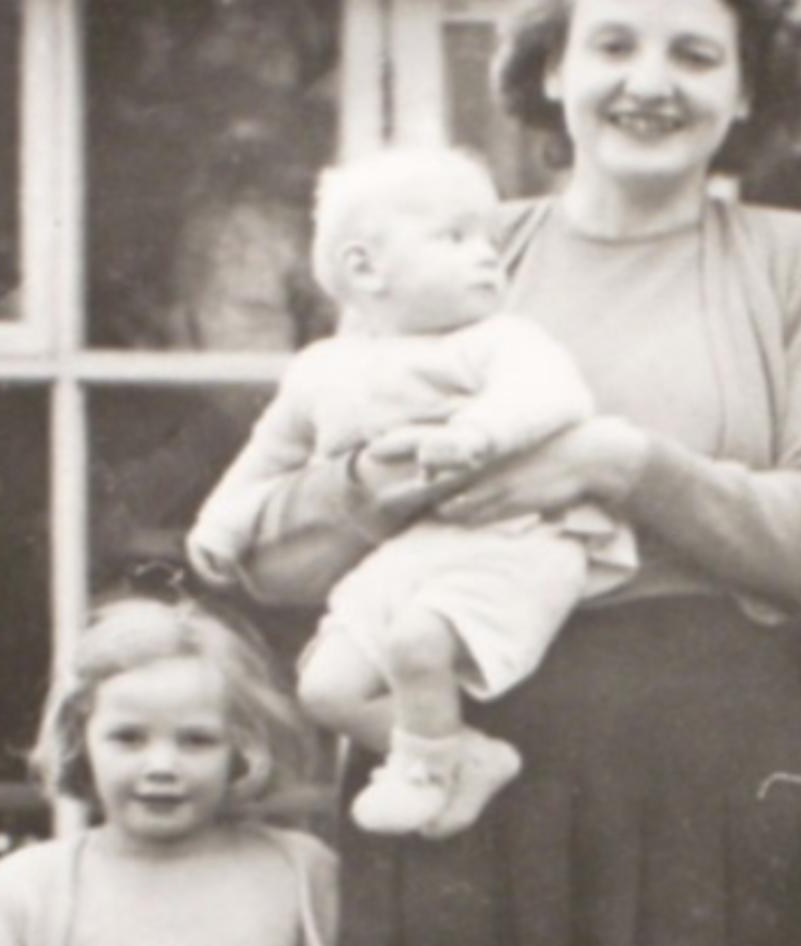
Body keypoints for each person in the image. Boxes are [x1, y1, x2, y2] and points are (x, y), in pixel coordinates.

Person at [197, 0, 801, 946]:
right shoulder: (460, 255)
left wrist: (618, 463)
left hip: (699, 760)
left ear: (748, 89)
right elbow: (283, 563)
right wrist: (375, 485)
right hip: (454, 737)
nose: (648, 81)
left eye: (695, 54)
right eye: (612, 45)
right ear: (553, 73)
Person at [188, 147, 634, 838]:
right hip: (418, 552)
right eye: (456, 238)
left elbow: (554, 395)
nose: (488, 255)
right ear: (366, 268)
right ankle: (462, 754)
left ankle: (423, 774)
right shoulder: (321, 369)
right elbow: (267, 455)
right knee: (326, 688)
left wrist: (480, 433)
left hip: (520, 540)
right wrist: (221, 526)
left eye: (489, 239)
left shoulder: (499, 340)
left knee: (417, 643)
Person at [0, 590, 349, 946]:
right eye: (128, 738)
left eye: (197, 740)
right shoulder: (21, 890)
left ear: (242, 747)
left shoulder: (302, 873)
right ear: (79, 738)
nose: (162, 766)